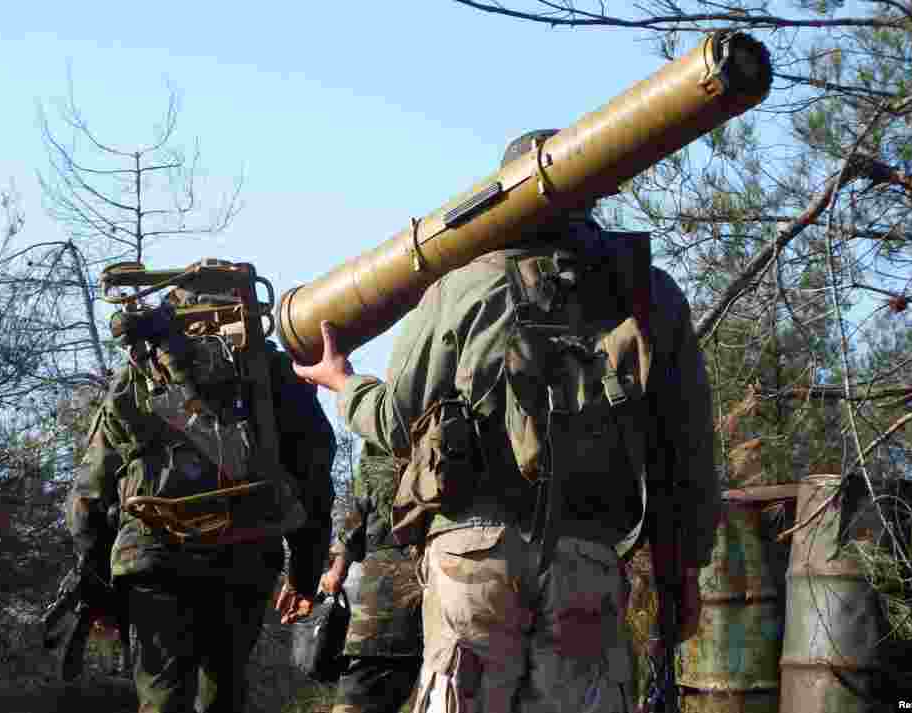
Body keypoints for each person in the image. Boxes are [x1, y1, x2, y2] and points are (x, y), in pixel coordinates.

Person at [294, 130, 719, 713]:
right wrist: (685, 571)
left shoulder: (464, 284)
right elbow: (687, 447)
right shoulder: (650, 293)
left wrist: (343, 383)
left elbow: (397, 420)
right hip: (587, 556)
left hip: (472, 549)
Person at [65, 284, 336, 713]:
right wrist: (304, 572)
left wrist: (94, 583)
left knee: (161, 696)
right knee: (223, 690)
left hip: (153, 557)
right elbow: (313, 474)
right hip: (245, 552)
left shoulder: (139, 370)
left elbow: (90, 491)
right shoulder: (266, 371)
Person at [320, 443, 424, 713]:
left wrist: (335, 572)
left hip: (382, 609)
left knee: (358, 700)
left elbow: (357, 515)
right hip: (450, 595)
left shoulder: (382, 441)